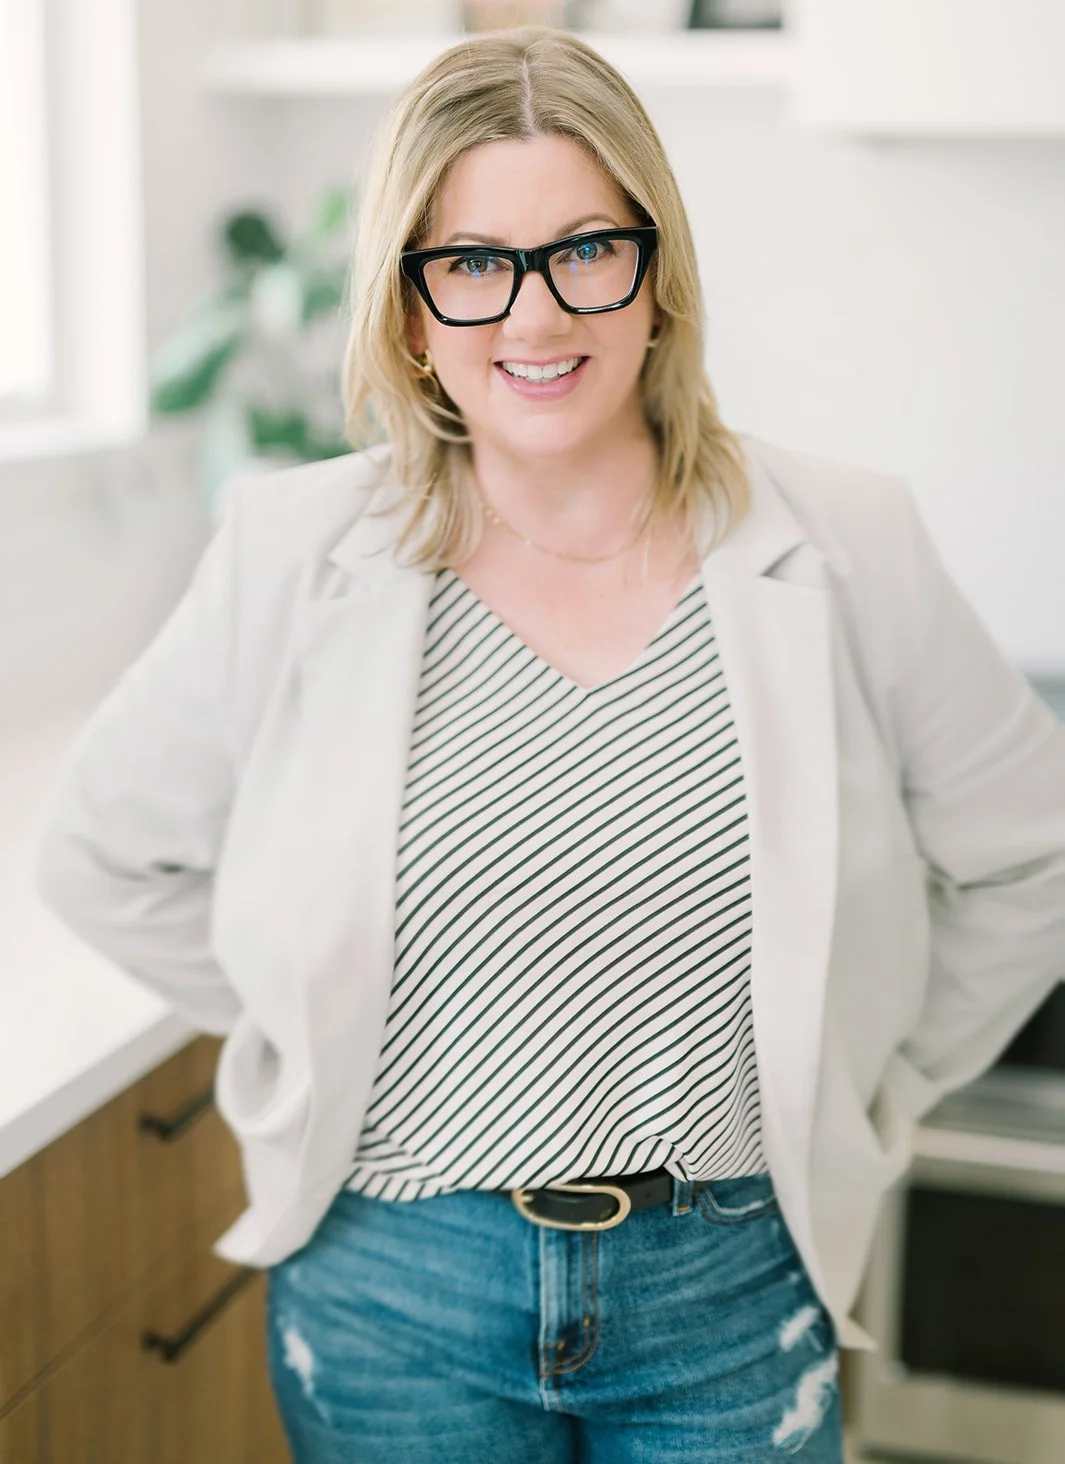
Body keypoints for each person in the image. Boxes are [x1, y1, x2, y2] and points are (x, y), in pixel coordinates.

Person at [33, 24, 1065, 1464]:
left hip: (725, 1287)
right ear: (407, 310)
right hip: (393, 1285)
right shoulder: (293, 551)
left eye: (586, 249)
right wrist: (321, 1030)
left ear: (659, 275)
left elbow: (1038, 860)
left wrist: (867, 1071)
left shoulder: (844, 541)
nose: (533, 317)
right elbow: (98, 853)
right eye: (469, 264)